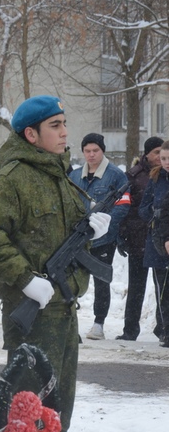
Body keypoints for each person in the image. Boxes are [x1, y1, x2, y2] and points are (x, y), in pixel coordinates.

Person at [0, 95, 110, 432]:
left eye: (64, 123)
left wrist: (90, 232)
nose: (65, 132)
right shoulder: (13, 180)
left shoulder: (59, 177)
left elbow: (63, 241)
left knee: (59, 409)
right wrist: (24, 278)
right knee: (28, 412)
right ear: (31, 134)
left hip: (64, 311)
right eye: (55, 125)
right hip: (33, 317)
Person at [69, 133, 130, 340]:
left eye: (95, 150)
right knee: (70, 279)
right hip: (77, 239)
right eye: (87, 151)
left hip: (104, 239)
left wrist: (103, 225)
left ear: (102, 151)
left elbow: (123, 205)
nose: (91, 155)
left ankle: (99, 323)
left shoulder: (116, 175)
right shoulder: (75, 176)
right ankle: (69, 320)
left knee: (101, 280)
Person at [116, 137, 163, 341]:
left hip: (161, 242)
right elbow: (124, 208)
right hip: (138, 240)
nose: (160, 157)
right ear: (146, 154)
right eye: (156, 153)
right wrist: (122, 234)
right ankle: (130, 330)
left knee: (163, 288)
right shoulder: (133, 177)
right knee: (136, 288)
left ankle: (163, 329)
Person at [138, 140, 169, 347]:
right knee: (163, 291)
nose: (166, 162)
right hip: (158, 242)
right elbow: (143, 208)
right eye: (164, 158)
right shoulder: (156, 178)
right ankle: (165, 330)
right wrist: (154, 215)